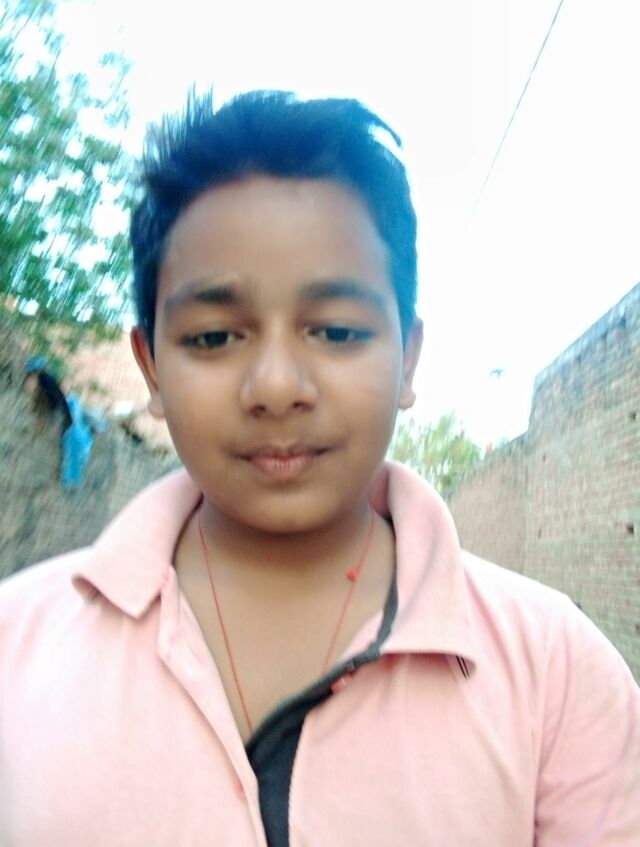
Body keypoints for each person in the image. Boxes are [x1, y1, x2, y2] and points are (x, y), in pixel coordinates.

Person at [0, 91, 638, 847]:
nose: (276, 387)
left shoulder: (556, 672)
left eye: (335, 331)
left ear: (408, 360)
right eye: (213, 337)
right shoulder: (17, 645)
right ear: (152, 368)